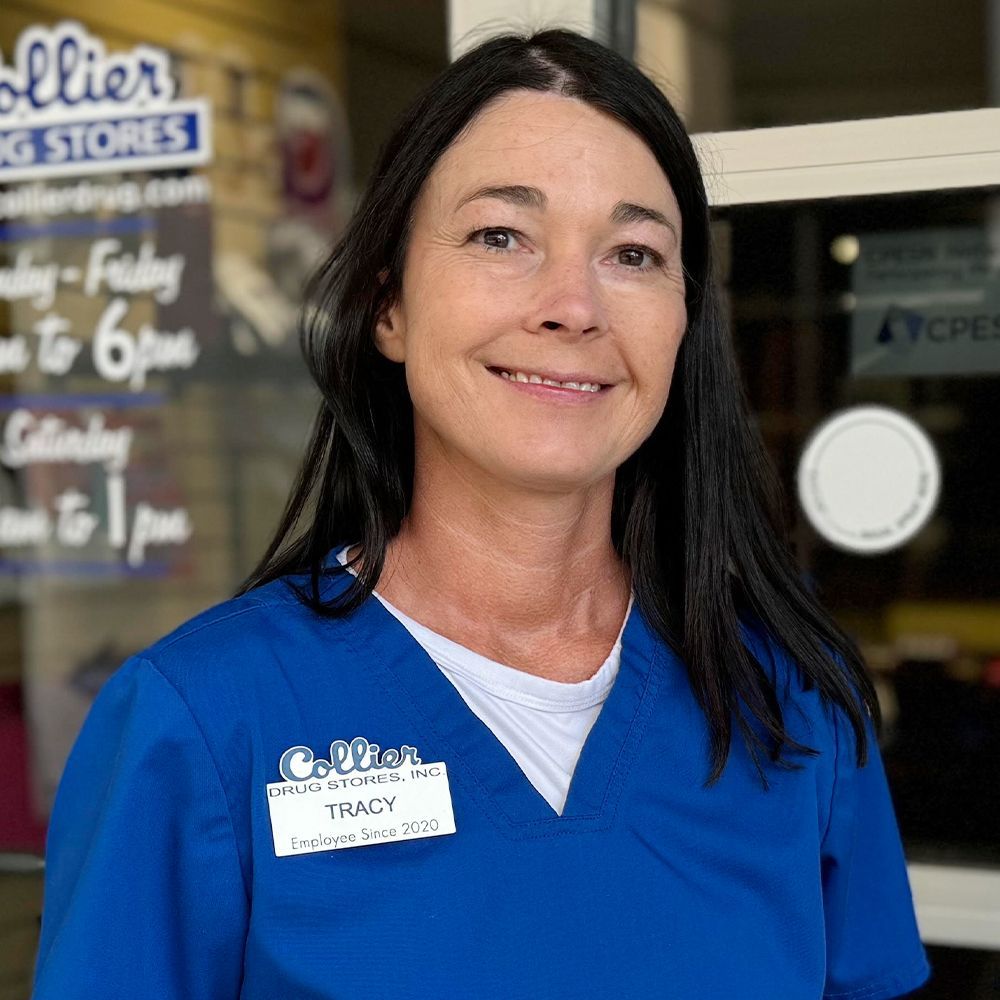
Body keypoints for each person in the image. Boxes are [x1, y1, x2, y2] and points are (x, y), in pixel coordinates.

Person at [32, 27, 931, 1000]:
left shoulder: (792, 701)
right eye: (500, 235)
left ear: (683, 319)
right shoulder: (203, 721)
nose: (571, 305)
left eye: (632, 252)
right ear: (388, 306)